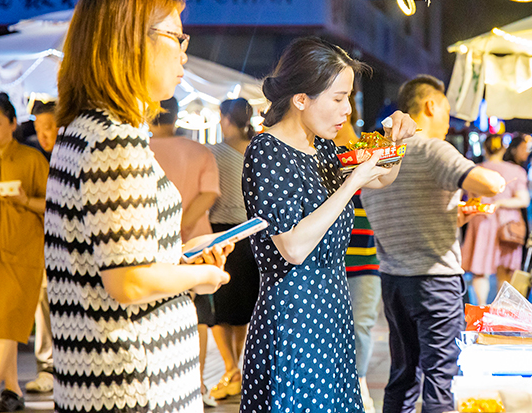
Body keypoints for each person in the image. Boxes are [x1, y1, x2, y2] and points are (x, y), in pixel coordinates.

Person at [44, 0, 233, 413]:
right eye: (176, 37)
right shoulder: (115, 140)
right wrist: (203, 277)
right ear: (131, 40)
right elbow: (129, 281)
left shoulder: (79, 131)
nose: (184, 53)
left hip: (92, 378)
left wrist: (181, 254)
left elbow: (114, 259)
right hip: (135, 381)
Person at [240, 36, 418, 413]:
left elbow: (383, 177)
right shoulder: (266, 150)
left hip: (333, 310)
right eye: (338, 98)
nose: (347, 110)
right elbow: (293, 246)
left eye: (349, 97)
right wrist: (352, 182)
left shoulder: (323, 146)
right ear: (301, 99)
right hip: (292, 317)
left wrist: (394, 143)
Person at [361, 75, 506, 413]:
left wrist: (454, 218)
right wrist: (500, 176)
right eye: (447, 111)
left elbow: (404, 214)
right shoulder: (433, 148)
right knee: (443, 380)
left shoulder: (381, 156)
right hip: (435, 284)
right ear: (431, 106)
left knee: (403, 377)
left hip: (394, 282)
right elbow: (487, 183)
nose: (447, 120)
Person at [148, 96, 222, 406]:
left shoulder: (141, 150)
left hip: (150, 244)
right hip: (199, 244)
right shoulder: (199, 150)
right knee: (200, 315)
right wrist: (183, 225)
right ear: (177, 117)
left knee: (156, 312)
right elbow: (208, 194)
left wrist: (168, 226)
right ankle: (198, 384)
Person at [0, 93, 49, 413]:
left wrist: (24, 202)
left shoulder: (33, 160)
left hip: (23, 254)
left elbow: (54, 206)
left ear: (12, 123)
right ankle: (12, 390)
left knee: (5, 321)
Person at [208, 98, 259, 402]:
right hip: (252, 234)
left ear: (226, 119)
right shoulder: (257, 148)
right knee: (242, 309)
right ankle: (233, 368)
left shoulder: (214, 152)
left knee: (219, 308)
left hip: (220, 235)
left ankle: (231, 368)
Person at [335, 112, 382, 413]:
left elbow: (386, 181)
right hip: (330, 257)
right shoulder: (318, 150)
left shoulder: (367, 150)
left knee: (362, 324)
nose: (343, 108)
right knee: (339, 327)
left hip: (366, 254)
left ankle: (359, 381)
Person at [461, 135, 530, 305]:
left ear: (484, 148)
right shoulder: (516, 171)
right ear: (503, 149)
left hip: (482, 221)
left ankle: (482, 307)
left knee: (480, 270)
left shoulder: (476, 170)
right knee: (505, 271)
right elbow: (523, 200)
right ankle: (501, 310)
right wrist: (501, 203)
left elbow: (471, 198)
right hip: (508, 224)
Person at [26, 100, 57, 394]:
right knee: (44, 306)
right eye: (38, 129)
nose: (43, 135)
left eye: (49, 127)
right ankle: (47, 367)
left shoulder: (68, 157)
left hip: (61, 251)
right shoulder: (38, 158)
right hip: (39, 248)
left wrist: (25, 203)